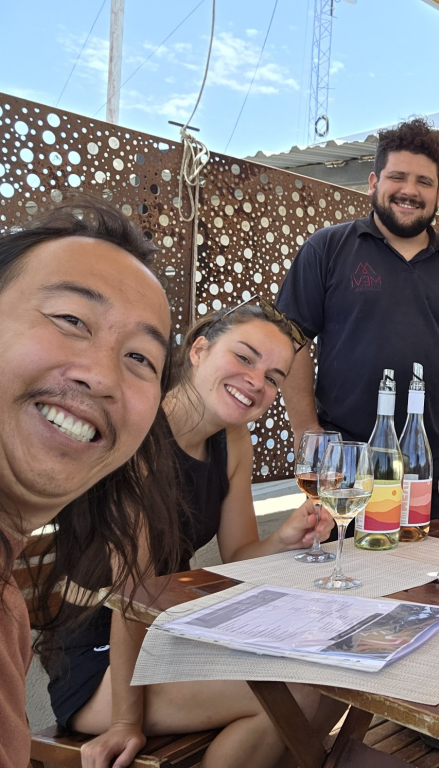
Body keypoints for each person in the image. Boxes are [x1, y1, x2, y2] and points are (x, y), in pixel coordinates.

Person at [46, 299, 336, 768]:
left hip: (167, 630)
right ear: (199, 350)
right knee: (296, 692)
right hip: (99, 656)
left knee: (338, 674)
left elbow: (239, 554)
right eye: (244, 357)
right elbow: (131, 596)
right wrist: (124, 722)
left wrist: (284, 537)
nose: (256, 381)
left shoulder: (232, 439)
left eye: (273, 377)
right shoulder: (140, 436)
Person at [0, 201, 180, 768]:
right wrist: (126, 720)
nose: (101, 376)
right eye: (71, 320)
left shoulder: (8, 607)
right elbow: (130, 596)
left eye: (139, 357)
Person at [276, 117, 439, 518]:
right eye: (397, 177)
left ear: (438, 194)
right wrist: (307, 432)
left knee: (431, 560)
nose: (410, 191)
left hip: (432, 467)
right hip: (345, 463)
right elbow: (289, 342)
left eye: (424, 182)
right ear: (373, 182)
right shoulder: (327, 249)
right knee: (343, 557)